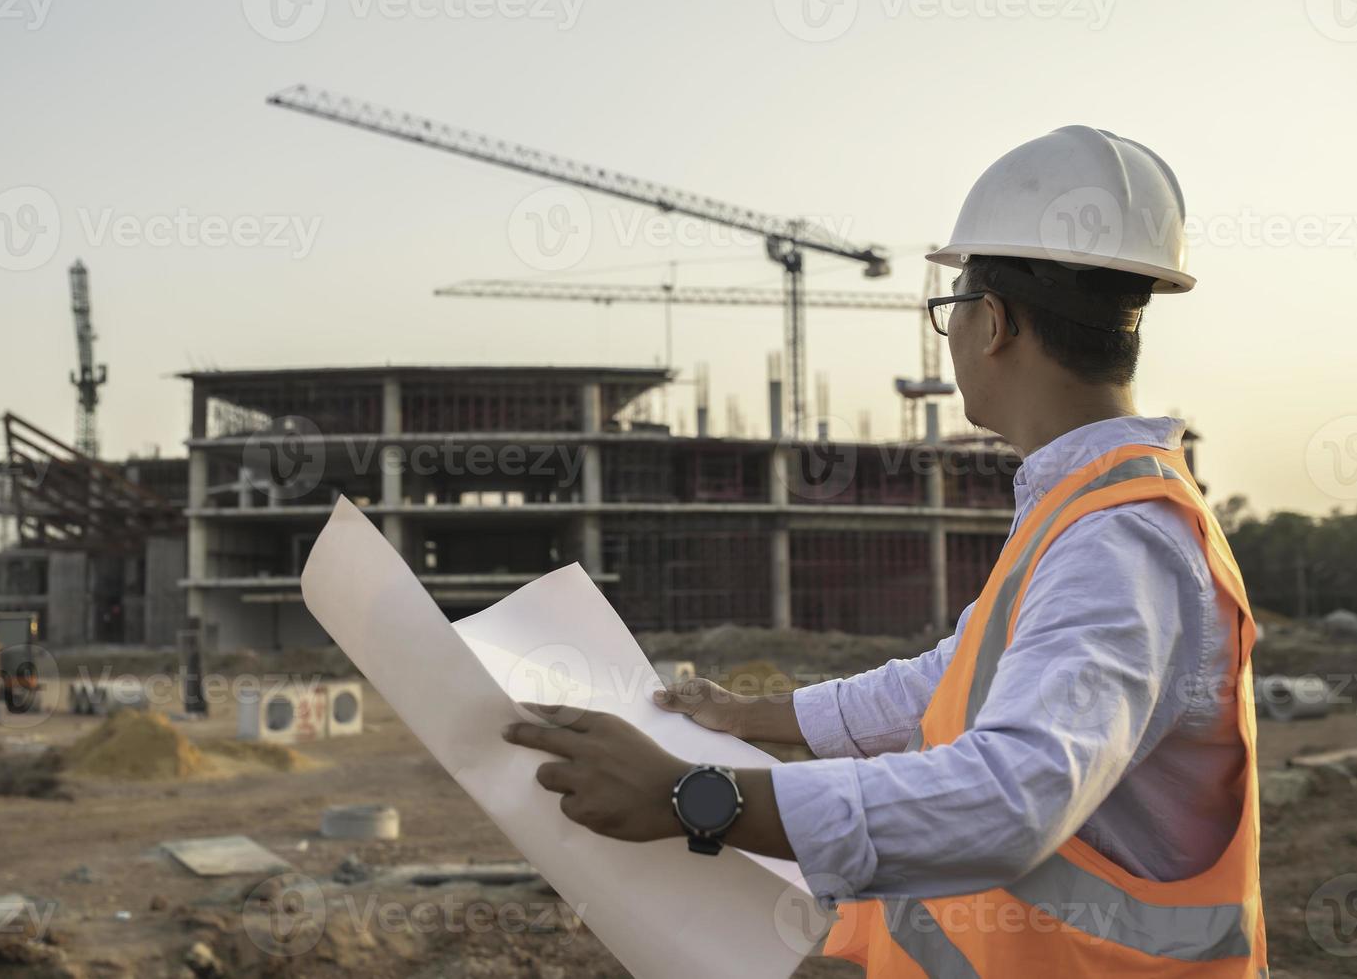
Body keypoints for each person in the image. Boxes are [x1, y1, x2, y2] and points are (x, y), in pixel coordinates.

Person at [503, 126, 1266, 976]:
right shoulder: (1087, 507)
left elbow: (1012, 797)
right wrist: (754, 716)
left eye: (948, 311)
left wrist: (691, 797)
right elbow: (955, 676)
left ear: (992, 322)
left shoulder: (1116, 538)